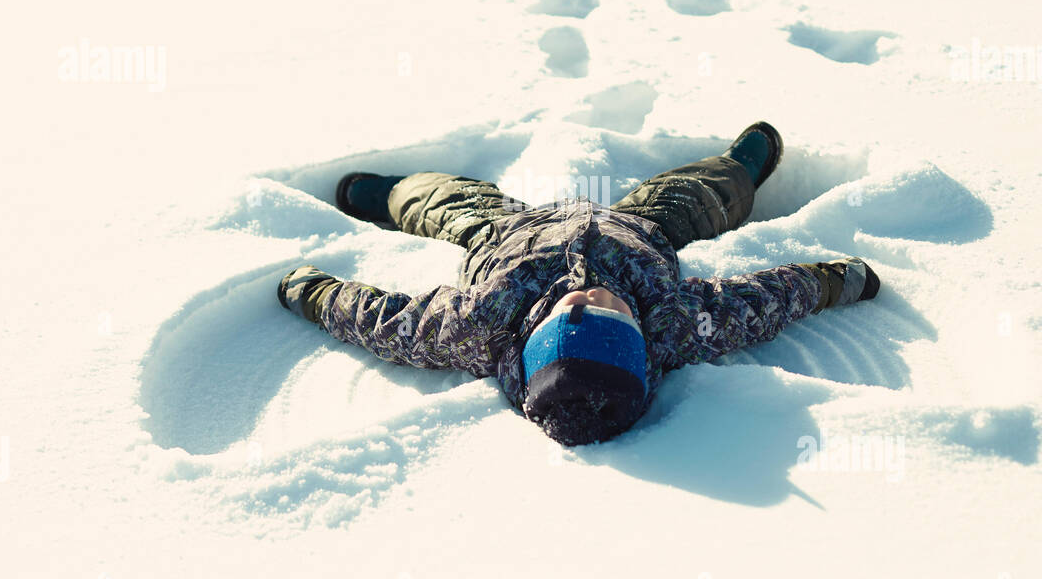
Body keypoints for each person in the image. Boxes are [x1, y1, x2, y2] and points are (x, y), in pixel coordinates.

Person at [277, 122, 880, 445]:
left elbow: (380, 320)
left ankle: (389, 194)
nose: (586, 296)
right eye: (610, 315)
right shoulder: (675, 324)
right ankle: (737, 172)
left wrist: (313, 292)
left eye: (570, 315)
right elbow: (765, 300)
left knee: (443, 199)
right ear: (640, 336)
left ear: (537, 334)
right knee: (696, 195)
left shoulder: (478, 326)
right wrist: (836, 280)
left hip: (505, 234)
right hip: (641, 232)